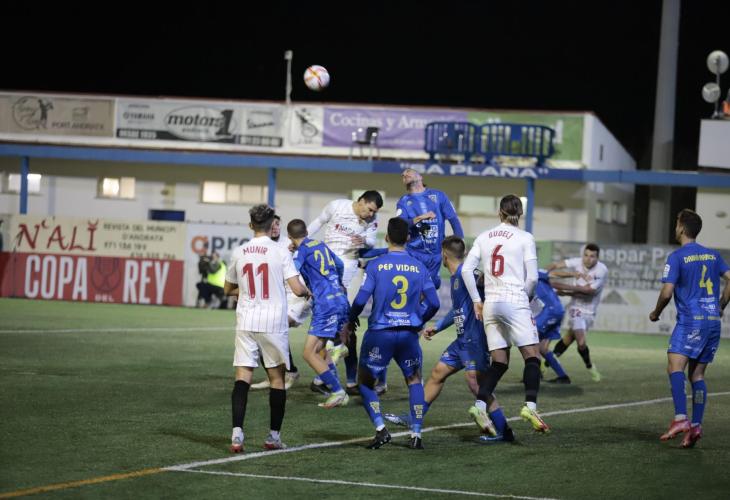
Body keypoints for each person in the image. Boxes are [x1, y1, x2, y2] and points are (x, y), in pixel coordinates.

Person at [384, 236, 515, 442]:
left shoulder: (468, 273)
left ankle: (504, 431)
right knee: (438, 373)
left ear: (444, 255)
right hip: (462, 340)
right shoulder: (457, 277)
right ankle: (413, 416)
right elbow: (457, 309)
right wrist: (437, 327)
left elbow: (487, 283)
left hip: (475, 340)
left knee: (476, 384)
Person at [341, 217, 440, 449]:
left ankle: (380, 429)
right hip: (408, 335)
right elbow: (434, 303)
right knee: (414, 381)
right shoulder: (419, 267)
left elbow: (361, 300)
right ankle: (416, 434)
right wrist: (419, 320)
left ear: (386, 238)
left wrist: (351, 319)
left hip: (380, 333)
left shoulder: (376, 265)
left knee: (366, 383)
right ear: (408, 238)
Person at [223, 204, 310, 453]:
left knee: (243, 377)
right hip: (272, 322)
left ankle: (236, 435)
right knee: (277, 379)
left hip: (246, 321)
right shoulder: (280, 251)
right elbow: (297, 289)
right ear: (273, 225)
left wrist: (247, 291)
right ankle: (273, 437)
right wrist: (308, 292)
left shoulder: (239, 251)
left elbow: (228, 290)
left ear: (251, 225)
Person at [462, 195, 550, 433]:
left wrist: (477, 301)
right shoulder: (525, 237)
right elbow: (533, 278)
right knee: (532, 356)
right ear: (520, 214)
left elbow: (467, 270)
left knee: (499, 362)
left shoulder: (484, 236)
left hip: (491, 303)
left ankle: (480, 406)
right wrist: (526, 297)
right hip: (515, 300)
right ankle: (530, 407)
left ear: (499, 213)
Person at [649, 209, 730, 448]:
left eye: (677, 223)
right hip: (712, 321)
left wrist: (656, 312)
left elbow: (667, 292)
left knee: (675, 366)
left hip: (691, 321)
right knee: (697, 375)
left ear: (682, 228)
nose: (675, 228)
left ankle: (680, 418)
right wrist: (721, 305)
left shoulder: (677, 257)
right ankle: (696, 425)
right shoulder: (713, 255)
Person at [308, 190, 383, 394]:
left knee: (346, 328)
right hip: (326, 270)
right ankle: (320, 376)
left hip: (349, 272)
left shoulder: (371, 220)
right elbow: (317, 223)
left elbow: (371, 242)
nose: (371, 214)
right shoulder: (337, 206)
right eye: (369, 209)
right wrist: (300, 242)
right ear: (361, 201)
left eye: (374, 212)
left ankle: (341, 380)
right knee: (332, 328)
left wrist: (364, 240)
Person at [287, 219, 350, 408]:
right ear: (306, 232)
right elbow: (340, 264)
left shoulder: (300, 253)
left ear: (289, 236)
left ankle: (338, 391)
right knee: (320, 350)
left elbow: (292, 272)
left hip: (325, 304)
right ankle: (338, 390)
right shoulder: (320, 245)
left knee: (308, 353)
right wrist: (338, 283)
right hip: (340, 299)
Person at [250, 215, 307, 391]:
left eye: (277, 224)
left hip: (296, 295)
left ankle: (292, 372)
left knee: (274, 327)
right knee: (261, 333)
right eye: (271, 224)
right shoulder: (259, 245)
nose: (274, 227)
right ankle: (273, 376)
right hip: (276, 296)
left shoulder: (289, 243)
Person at [546, 244, 607, 382]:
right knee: (581, 342)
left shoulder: (601, 270)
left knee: (569, 338)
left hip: (590, 310)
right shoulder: (577, 262)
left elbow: (588, 291)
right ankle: (590, 367)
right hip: (576, 309)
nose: (588, 259)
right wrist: (545, 270)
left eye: (592, 256)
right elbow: (557, 265)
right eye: (586, 255)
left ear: (597, 258)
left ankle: (546, 364)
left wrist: (562, 288)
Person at [396, 168, 464, 290]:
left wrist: (460, 242)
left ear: (420, 177)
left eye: (409, 172)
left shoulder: (439, 196)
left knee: (433, 287)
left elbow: (453, 219)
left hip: (435, 255)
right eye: (403, 174)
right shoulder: (403, 202)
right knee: (414, 288)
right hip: (414, 253)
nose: (404, 174)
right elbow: (399, 225)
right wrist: (420, 218)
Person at [532, 269, 571, 383]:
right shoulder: (525, 275)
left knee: (531, 342)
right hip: (554, 311)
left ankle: (534, 375)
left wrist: (574, 274)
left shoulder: (534, 271)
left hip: (550, 311)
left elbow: (554, 274)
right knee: (542, 348)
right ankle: (563, 377)